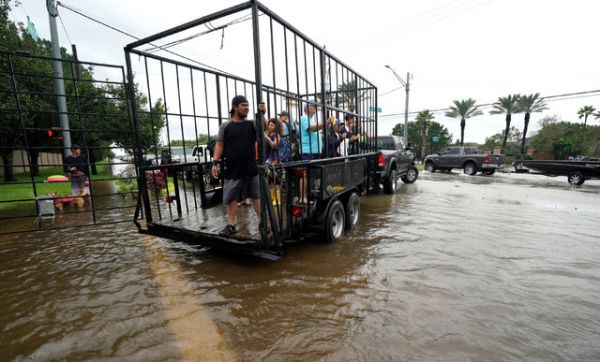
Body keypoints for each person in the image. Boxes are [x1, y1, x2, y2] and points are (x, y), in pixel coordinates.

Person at [211, 95, 264, 237]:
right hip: (233, 167)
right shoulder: (226, 126)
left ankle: (262, 223)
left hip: (250, 167)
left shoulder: (252, 124)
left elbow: (263, 127)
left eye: (248, 105)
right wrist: (215, 163)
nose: (246, 108)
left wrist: (262, 113)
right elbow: (220, 144)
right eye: (243, 105)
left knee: (255, 196)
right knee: (231, 197)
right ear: (235, 107)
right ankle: (230, 225)